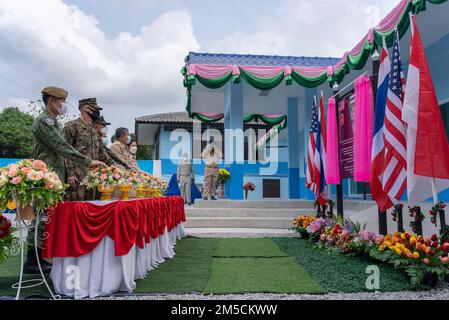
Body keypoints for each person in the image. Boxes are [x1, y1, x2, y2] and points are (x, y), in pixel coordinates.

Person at [26, 86, 105, 274]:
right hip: (45, 175)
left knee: (47, 216)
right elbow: (61, 146)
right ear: (52, 100)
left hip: (53, 176)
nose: (63, 105)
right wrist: (87, 160)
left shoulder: (53, 121)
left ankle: (38, 258)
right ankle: (32, 260)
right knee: (41, 216)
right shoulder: (44, 121)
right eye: (61, 101)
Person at [63, 98, 115, 201]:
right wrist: (70, 174)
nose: (97, 112)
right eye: (95, 109)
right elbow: (65, 151)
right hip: (78, 178)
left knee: (91, 208)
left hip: (93, 178)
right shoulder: (72, 126)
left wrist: (115, 167)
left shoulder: (94, 131)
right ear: (86, 109)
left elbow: (102, 154)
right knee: (76, 209)